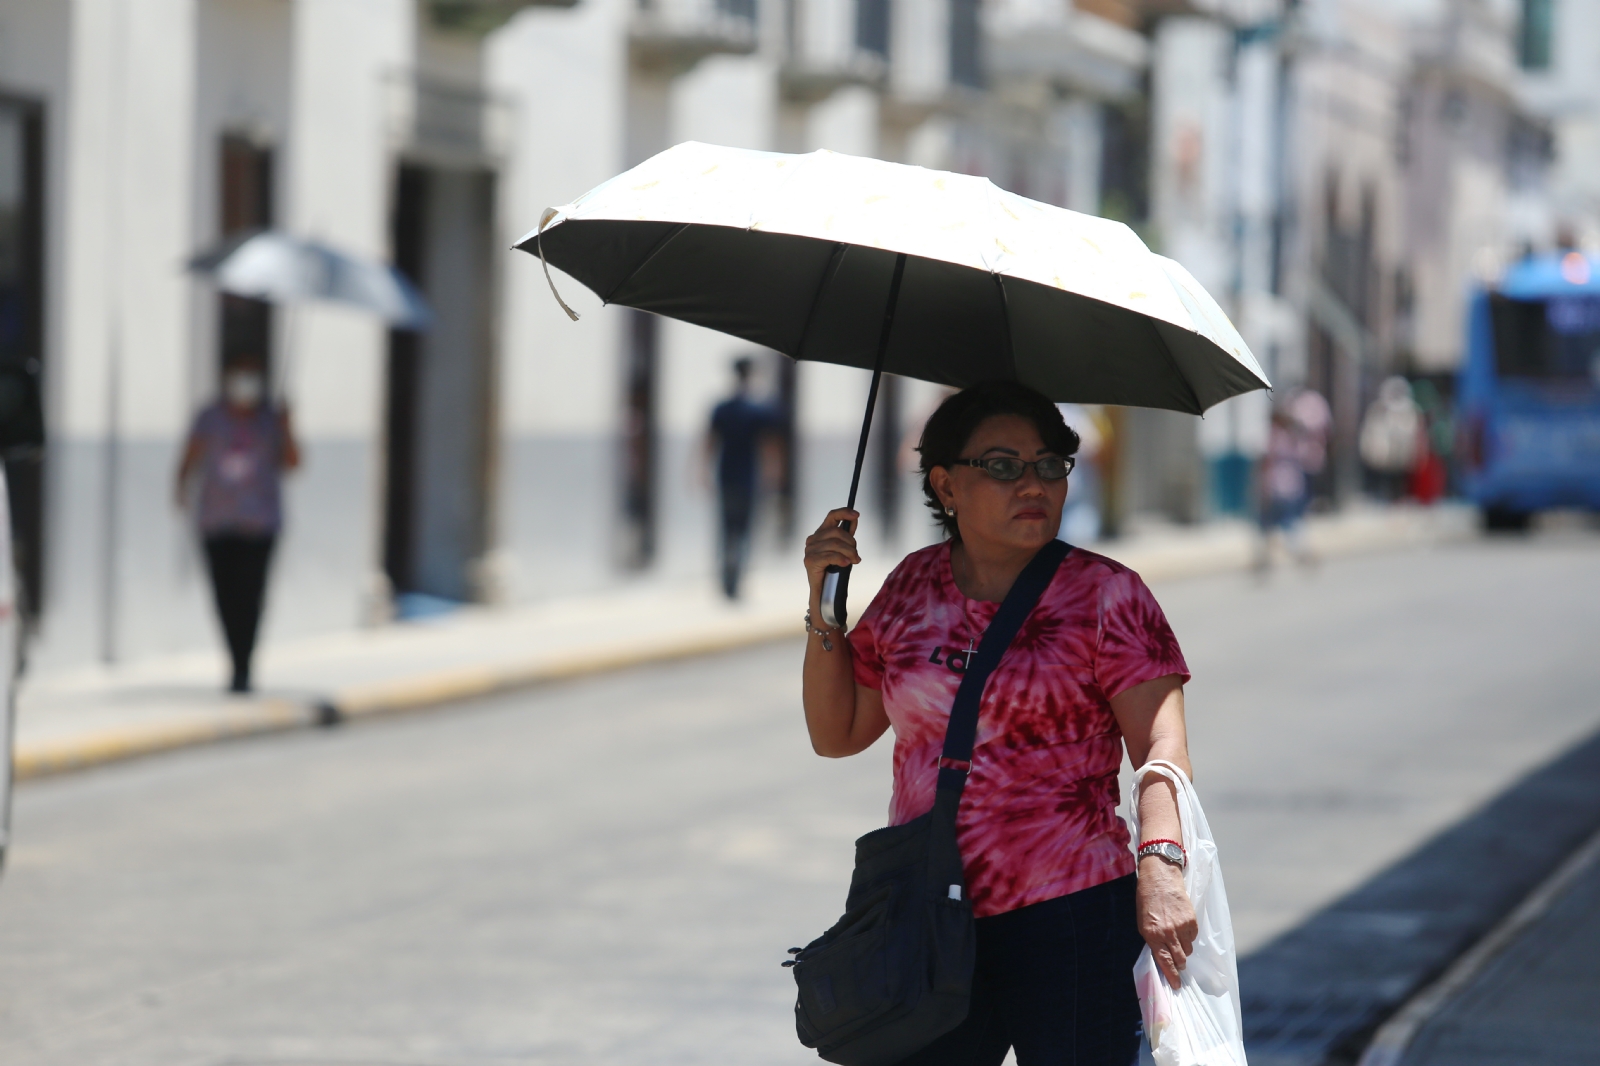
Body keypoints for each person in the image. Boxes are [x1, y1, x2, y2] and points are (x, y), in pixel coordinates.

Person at [801, 381, 1197, 1065]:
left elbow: (1161, 743)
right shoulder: (910, 588)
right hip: (930, 912)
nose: (1033, 483)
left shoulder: (1109, 595)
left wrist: (1161, 864)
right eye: (1004, 466)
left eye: (1050, 464)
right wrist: (822, 603)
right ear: (946, 486)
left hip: (1073, 915)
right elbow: (837, 734)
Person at [175, 354, 300, 693]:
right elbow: (191, 454)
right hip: (217, 522)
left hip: (260, 525)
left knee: (252, 595)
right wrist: (181, 488)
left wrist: (288, 426)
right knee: (225, 595)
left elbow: (293, 463)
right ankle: (235, 657)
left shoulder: (271, 419)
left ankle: (243, 665)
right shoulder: (210, 417)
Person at [706, 356, 776, 599]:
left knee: (727, 532)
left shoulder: (723, 408)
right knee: (744, 533)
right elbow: (768, 447)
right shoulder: (757, 410)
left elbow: (710, 443)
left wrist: (703, 472)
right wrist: (771, 476)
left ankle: (727, 581)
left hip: (727, 477)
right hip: (748, 480)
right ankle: (735, 583)